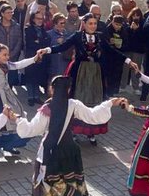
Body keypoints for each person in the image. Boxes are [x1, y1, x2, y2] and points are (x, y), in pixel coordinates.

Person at [13, 76, 115, 196]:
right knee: (69, 180)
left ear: (52, 89)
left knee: (50, 181)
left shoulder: (47, 109)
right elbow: (93, 116)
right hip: (69, 150)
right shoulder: (73, 104)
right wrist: (110, 103)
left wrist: (17, 118)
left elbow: (29, 130)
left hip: (50, 151)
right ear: (68, 89)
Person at [50, 15, 124, 146]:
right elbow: (63, 46)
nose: (93, 26)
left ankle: (91, 132)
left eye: (95, 23)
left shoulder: (100, 37)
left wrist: (128, 60)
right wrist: (47, 50)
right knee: (78, 100)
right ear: (84, 24)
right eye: (90, 23)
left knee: (95, 101)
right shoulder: (78, 36)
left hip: (95, 74)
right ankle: (74, 131)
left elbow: (111, 51)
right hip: (79, 73)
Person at [0, 43, 48, 156]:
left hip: (6, 94)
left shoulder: (6, 65)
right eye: (4, 55)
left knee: (13, 118)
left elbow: (19, 64)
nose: (7, 57)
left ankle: (9, 146)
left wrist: (34, 59)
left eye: (8, 55)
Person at [23, 10, 50, 105]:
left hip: (41, 57)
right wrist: (39, 43)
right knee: (30, 77)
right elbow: (30, 43)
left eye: (41, 19)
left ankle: (37, 96)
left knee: (37, 77)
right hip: (31, 56)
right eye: (38, 18)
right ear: (33, 19)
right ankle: (31, 97)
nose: (40, 21)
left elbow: (46, 42)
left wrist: (39, 42)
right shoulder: (28, 29)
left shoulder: (43, 30)